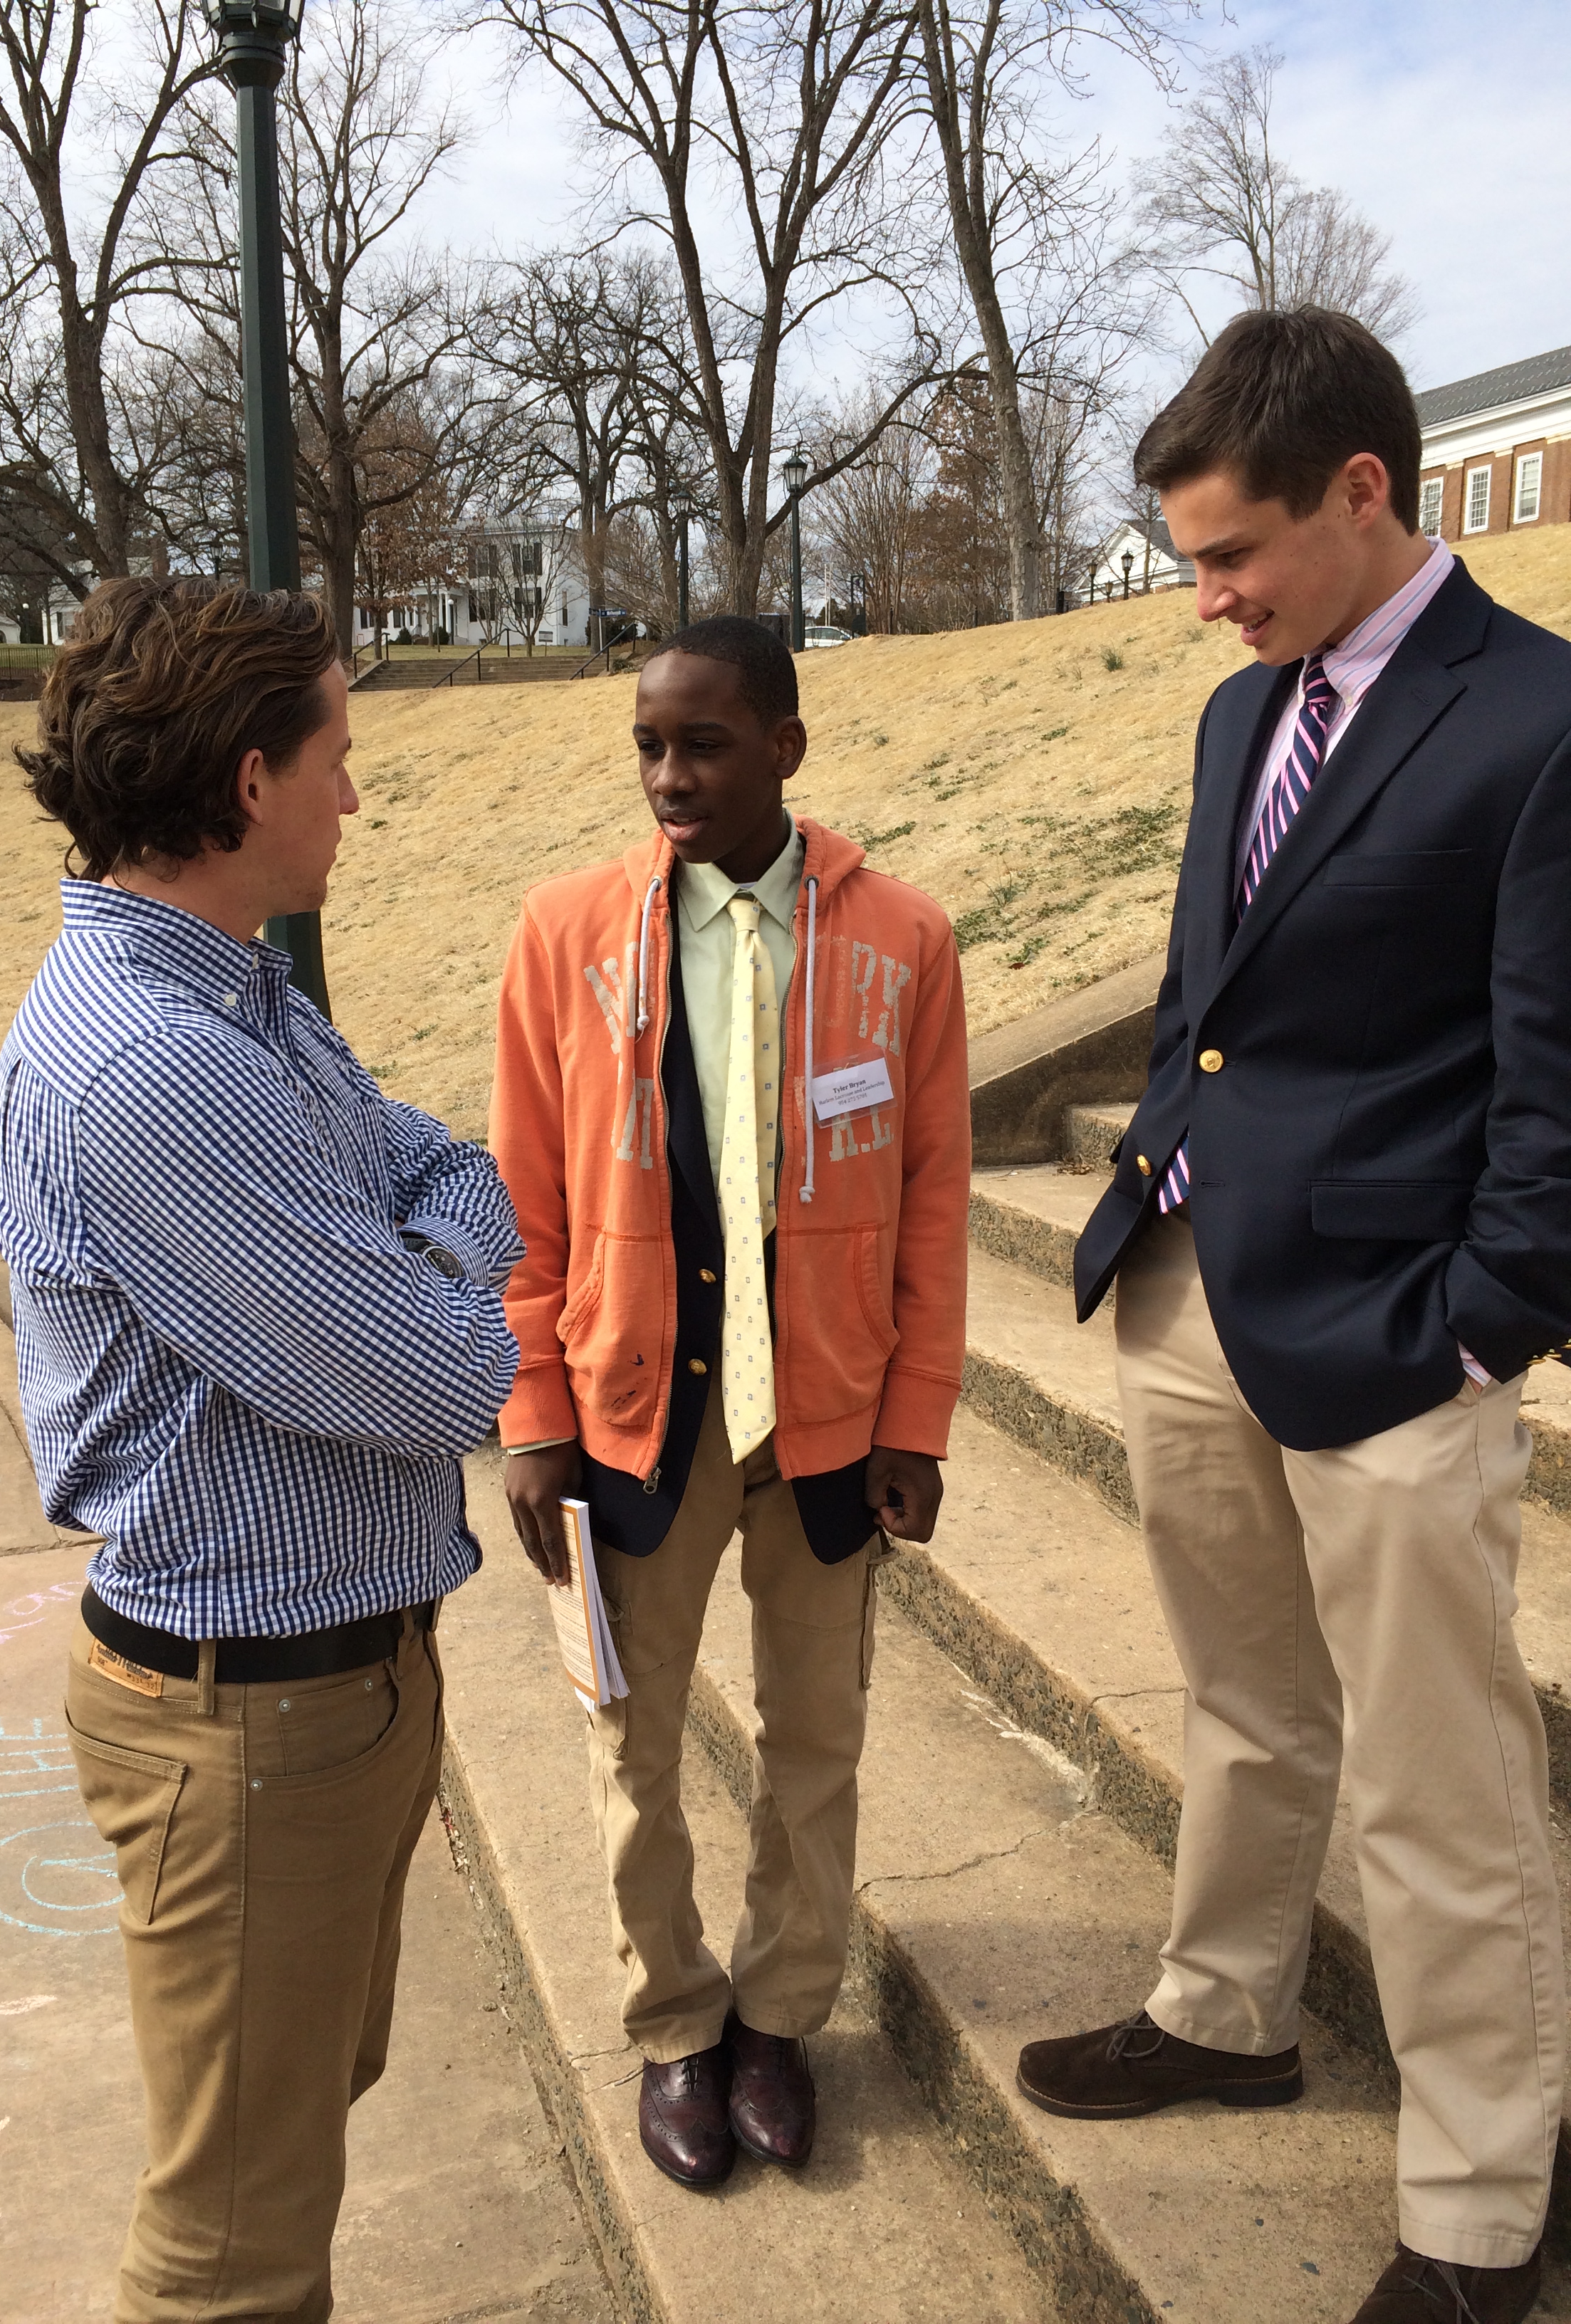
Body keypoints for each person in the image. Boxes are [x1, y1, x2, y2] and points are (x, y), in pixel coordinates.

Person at [1016, 308, 1571, 2324]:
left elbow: (1557, 1082)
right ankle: (1227, 2005)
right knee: (1245, 1712)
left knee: (1444, 1785)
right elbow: (1210, 984)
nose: (1206, 603)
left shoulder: (1539, 718)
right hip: (1191, 1289)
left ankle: (1484, 2203)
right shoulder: (1241, 714)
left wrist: (1484, 1322)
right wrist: (1152, 1164)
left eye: (1231, 556)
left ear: (1364, 490)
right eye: (1186, 563)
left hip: (1401, 1345)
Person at [0, 577, 521, 2324]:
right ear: (243, 780)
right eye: (337, 756)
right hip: (249, 1724)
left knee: (282, 2147)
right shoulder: (155, 1064)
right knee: (229, 2244)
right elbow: (443, 1369)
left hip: (321, 1691)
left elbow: (444, 1165)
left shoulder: (235, 998)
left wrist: (411, 1248)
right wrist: (427, 1274)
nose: (354, 797)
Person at [491, 616, 970, 2187]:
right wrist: (534, 1409)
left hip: (825, 1418)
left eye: (702, 743)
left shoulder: (903, 940)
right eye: (648, 744)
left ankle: (778, 2015)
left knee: (815, 1734)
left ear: (785, 746)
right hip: (639, 1414)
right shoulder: (567, 935)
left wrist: (919, 1415)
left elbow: (937, 1197)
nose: (670, 776)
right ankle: (675, 2026)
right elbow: (525, 1202)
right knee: (628, 1742)